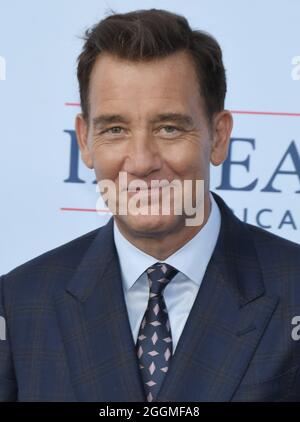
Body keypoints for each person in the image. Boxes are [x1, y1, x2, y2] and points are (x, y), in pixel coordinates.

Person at [1, 9, 300, 402]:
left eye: (169, 128)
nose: (141, 161)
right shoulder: (20, 303)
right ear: (85, 141)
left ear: (219, 135)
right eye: (115, 129)